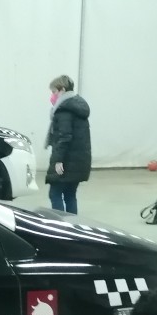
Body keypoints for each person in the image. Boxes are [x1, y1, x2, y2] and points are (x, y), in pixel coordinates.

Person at [45, 74, 91, 215]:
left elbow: (64, 137)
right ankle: (72, 226)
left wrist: (59, 160)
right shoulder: (78, 107)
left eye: (54, 92)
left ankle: (59, 227)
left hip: (66, 161)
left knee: (55, 193)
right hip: (78, 161)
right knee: (70, 195)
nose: (52, 96)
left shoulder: (64, 110)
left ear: (62, 90)